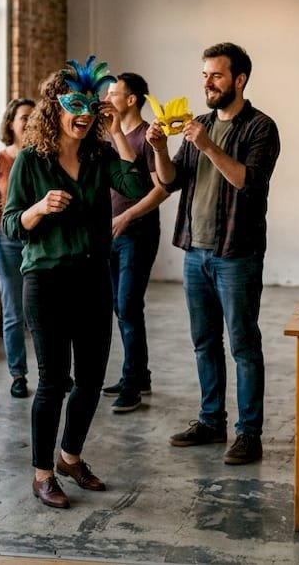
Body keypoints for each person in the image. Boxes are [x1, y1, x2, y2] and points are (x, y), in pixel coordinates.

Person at [1, 59, 151, 509]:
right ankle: (42, 474)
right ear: (55, 107)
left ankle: (70, 457)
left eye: (91, 105)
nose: (84, 112)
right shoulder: (31, 159)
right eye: (74, 104)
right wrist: (39, 208)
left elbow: (135, 182)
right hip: (45, 280)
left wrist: (117, 131)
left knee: (89, 379)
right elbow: (12, 225)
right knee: (52, 382)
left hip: (92, 278)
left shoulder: (100, 154)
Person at [147, 42, 280, 466]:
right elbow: (171, 182)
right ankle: (211, 421)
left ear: (239, 80)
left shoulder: (261, 127)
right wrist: (158, 149)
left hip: (236, 254)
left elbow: (249, 182)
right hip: (195, 251)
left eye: (216, 75)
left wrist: (207, 146)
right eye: (204, 74)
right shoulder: (198, 123)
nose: (206, 82)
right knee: (204, 342)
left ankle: (249, 433)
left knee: (243, 345)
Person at [101, 72, 168, 413]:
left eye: (114, 93)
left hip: (137, 234)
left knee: (128, 306)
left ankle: (133, 383)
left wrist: (126, 216)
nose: (107, 97)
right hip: (108, 233)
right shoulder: (106, 137)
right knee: (119, 305)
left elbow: (161, 189)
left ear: (131, 100)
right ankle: (138, 374)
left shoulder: (147, 137)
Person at [0, 97, 37, 398]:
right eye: (22, 117)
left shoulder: (44, 155)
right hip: (7, 240)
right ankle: (18, 374)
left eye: (32, 116)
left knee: (43, 310)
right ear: (11, 123)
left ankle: (54, 371)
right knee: (14, 311)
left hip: (40, 240)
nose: (27, 122)